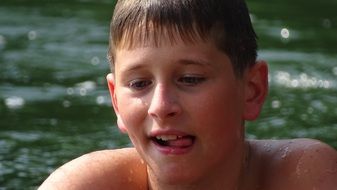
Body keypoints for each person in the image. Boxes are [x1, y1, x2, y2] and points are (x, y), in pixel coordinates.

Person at [39, 0, 337, 189]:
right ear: (116, 100)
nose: (161, 107)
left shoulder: (304, 175)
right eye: (140, 84)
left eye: (190, 79)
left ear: (252, 90)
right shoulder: (83, 185)